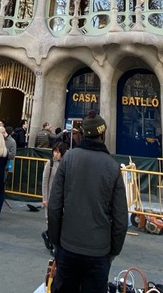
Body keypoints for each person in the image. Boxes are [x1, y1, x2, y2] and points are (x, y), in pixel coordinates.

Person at [47, 114, 127, 292]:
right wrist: (113, 250)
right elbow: (121, 218)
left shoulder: (68, 158)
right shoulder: (112, 166)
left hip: (68, 245)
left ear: (82, 135)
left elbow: (54, 206)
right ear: (102, 135)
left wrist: (55, 240)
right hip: (99, 250)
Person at [40, 141, 68, 253]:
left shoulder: (66, 164)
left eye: (57, 152)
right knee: (51, 222)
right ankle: (53, 244)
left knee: (59, 222)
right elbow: (45, 181)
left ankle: (48, 236)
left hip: (62, 198)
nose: (55, 154)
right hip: (51, 197)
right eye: (54, 151)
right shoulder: (50, 163)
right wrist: (45, 198)